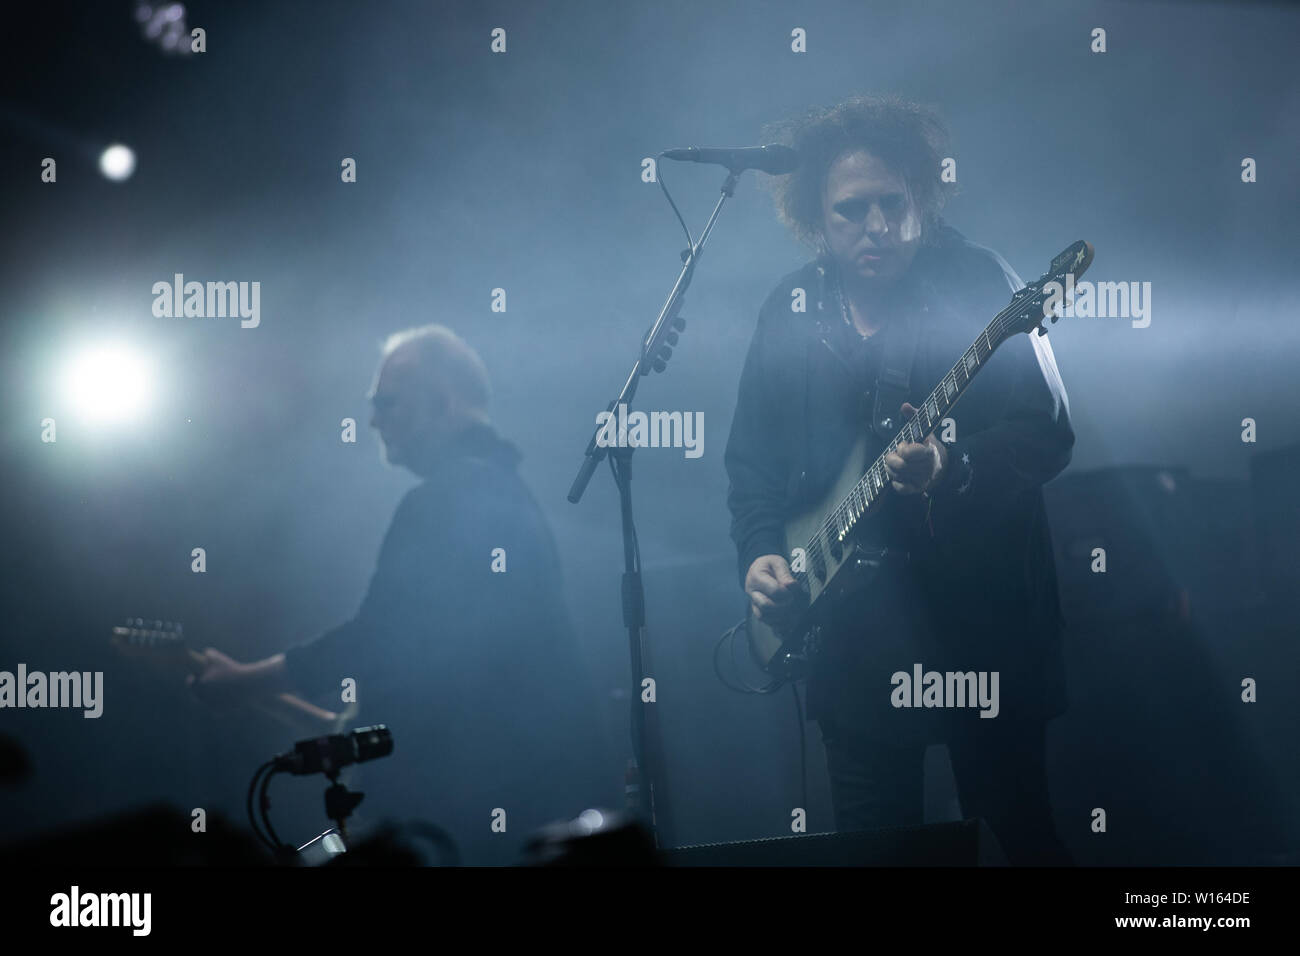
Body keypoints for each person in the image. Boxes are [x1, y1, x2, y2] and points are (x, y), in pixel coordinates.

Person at [725, 95, 1075, 865]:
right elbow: (750, 461)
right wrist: (759, 554)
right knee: (876, 852)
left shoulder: (984, 284)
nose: (876, 225)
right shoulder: (789, 310)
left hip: (982, 627)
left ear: (922, 198)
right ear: (816, 217)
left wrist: (953, 468)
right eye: (852, 210)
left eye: (893, 203)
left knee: (1020, 840)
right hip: (855, 641)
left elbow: (1048, 434)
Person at [191, 324, 614, 864]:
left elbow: (379, 637)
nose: (373, 420)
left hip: (478, 811)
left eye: (387, 403)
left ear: (442, 402)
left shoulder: (448, 497)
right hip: (525, 792)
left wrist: (247, 681)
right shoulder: (501, 489)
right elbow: (434, 653)